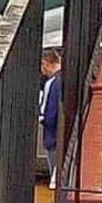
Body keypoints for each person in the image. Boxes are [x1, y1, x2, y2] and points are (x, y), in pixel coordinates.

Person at [39, 48, 63, 186]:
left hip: (52, 138)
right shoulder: (65, 79)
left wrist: (41, 118)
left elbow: (47, 113)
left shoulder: (51, 83)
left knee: (55, 176)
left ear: (46, 64)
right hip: (62, 137)